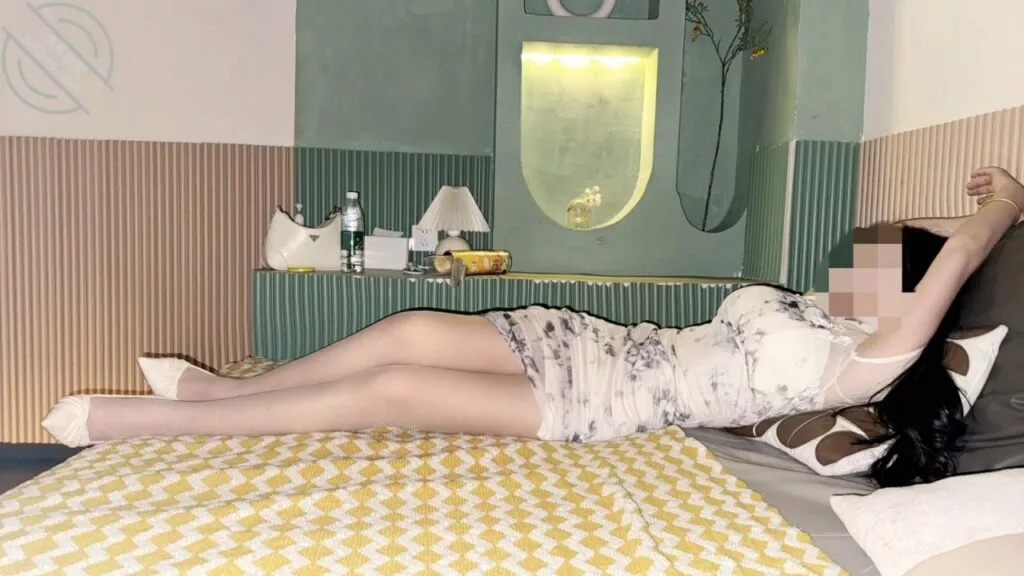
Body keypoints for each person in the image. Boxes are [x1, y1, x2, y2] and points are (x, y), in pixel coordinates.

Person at [43, 167, 1024, 488]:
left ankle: (146, 422)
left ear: (910, 295)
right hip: (596, 342)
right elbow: (902, 247)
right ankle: (225, 389)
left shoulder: (864, 363)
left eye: (882, 265)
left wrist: (1001, 208)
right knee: (408, 327)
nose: (855, 263)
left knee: (388, 393)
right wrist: (935, 227)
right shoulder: (821, 310)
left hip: (610, 403)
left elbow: (953, 262)